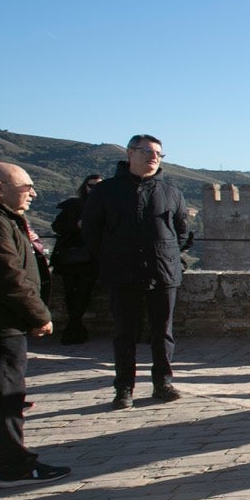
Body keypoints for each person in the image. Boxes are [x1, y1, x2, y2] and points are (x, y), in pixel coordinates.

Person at [0, 163, 69, 486]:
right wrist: (38, 314)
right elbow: (5, 275)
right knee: (4, 397)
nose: (33, 193)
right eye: (26, 186)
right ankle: (16, 467)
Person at [82, 134, 195, 408]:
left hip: (163, 272)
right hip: (123, 273)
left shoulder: (171, 193)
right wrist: (114, 256)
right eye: (147, 151)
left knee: (163, 331)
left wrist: (165, 253)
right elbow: (92, 232)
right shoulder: (106, 191)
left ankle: (163, 383)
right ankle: (124, 388)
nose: (153, 156)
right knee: (124, 333)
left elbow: (181, 232)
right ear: (130, 153)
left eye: (158, 152)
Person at [49, 174, 103, 345]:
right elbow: (57, 227)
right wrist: (76, 225)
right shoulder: (72, 205)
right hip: (71, 258)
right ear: (85, 186)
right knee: (71, 293)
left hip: (91, 259)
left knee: (83, 293)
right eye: (91, 185)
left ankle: (73, 327)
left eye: (98, 186)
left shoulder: (105, 206)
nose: (94, 189)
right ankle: (75, 327)